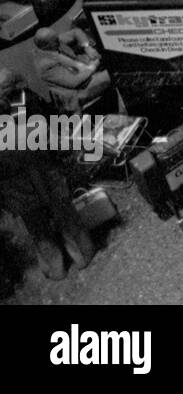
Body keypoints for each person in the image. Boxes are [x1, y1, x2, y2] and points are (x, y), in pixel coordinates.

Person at [0, 70, 97, 281]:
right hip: (44, 170)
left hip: (15, 184)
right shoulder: (27, 109)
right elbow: (56, 137)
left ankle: (55, 270)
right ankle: (83, 255)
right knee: (66, 216)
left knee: (38, 229)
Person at [32, 28, 114, 111]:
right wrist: (93, 67)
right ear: (47, 45)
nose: (59, 41)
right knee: (114, 72)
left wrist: (87, 47)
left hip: (85, 70)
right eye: (55, 40)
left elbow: (76, 32)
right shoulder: (45, 66)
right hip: (79, 92)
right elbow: (74, 82)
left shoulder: (52, 43)